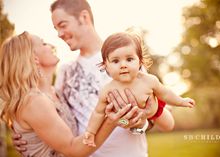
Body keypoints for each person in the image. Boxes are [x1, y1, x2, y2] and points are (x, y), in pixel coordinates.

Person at [13, 0, 176, 156]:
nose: (59, 34)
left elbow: (161, 120)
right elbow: (57, 119)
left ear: (84, 17)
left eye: (62, 25)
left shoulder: (125, 60)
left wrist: (141, 122)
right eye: (56, 29)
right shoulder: (65, 71)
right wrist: (29, 136)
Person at [0, 32, 131, 157]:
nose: (51, 45)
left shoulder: (54, 92)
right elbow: (73, 149)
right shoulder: (34, 102)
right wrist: (112, 121)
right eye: (43, 43)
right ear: (33, 58)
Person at [83, 32, 195, 147]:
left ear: (140, 61)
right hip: (128, 119)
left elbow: (165, 93)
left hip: (152, 107)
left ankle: (167, 108)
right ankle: (142, 123)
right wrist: (91, 132)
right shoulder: (107, 91)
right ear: (105, 65)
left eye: (129, 59)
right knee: (128, 124)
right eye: (116, 61)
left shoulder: (148, 81)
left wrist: (181, 101)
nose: (123, 65)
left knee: (168, 125)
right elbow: (98, 112)